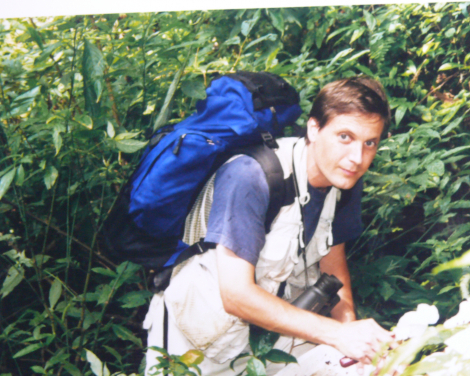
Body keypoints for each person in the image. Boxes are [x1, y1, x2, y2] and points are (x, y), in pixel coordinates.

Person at [143, 76, 395, 376]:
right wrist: (338, 335)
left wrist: (356, 342)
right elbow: (236, 296)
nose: (357, 158)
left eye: (370, 143)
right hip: (199, 343)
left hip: (275, 335)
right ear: (314, 129)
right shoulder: (251, 176)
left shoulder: (344, 181)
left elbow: (333, 270)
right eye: (345, 137)